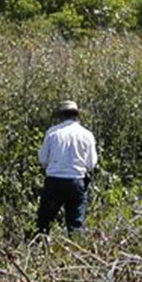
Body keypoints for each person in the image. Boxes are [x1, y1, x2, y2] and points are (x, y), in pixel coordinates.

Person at [37, 100, 98, 234]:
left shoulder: (52, 133)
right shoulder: (87, 135)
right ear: (77, 115)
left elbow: (42, 159)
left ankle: (41, 249)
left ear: (61, 116)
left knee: (44, 223)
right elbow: (91, 164)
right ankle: (74, 250)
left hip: (54, 182)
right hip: (76, 182)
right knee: (75, 225)